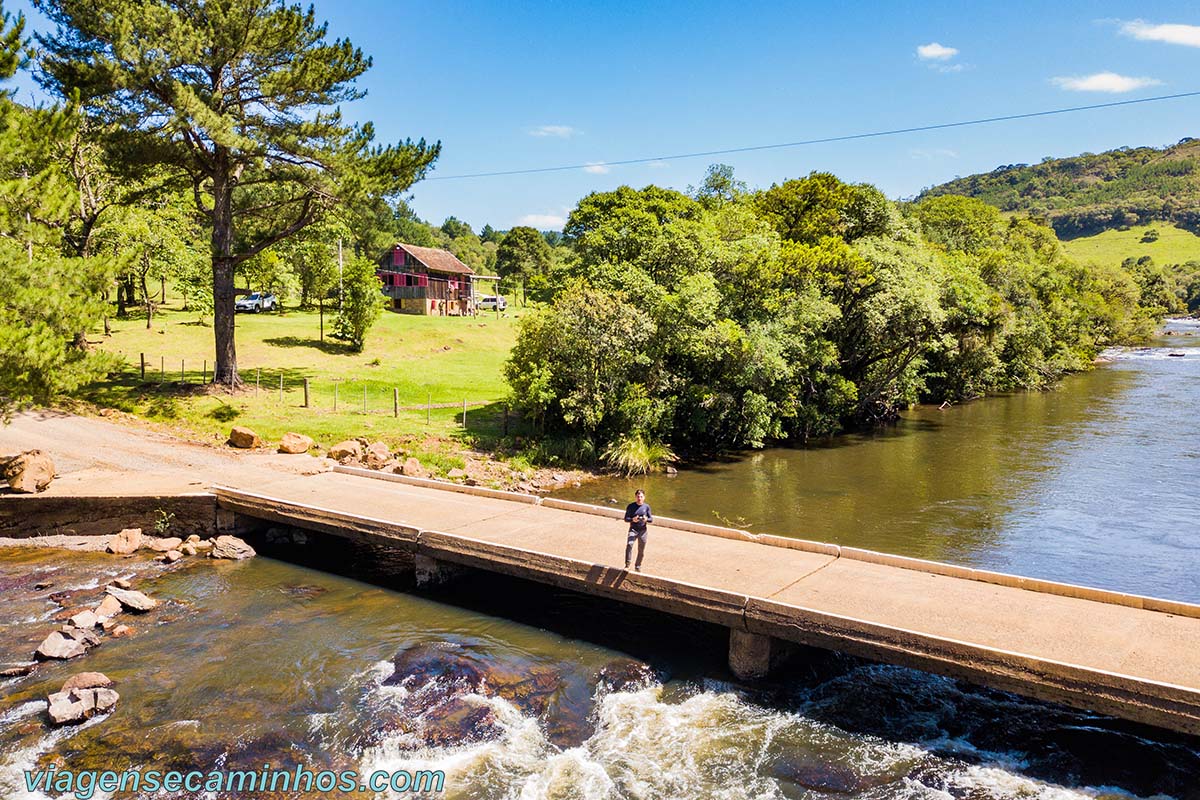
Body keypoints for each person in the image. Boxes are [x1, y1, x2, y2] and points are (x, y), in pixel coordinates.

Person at [623, 489, 652, 572]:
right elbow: (626, 519)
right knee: (629, 545)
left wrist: (646, 519)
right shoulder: (631, 506)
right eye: (638, 496)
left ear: (644, 497)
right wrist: (633, 519)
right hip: (633, 529)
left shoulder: (646, 507)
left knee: (641, 549)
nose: (639, 498)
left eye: (641, 497)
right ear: (635, 497)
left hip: (643, 531)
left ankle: (638, 566)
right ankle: (627, 564)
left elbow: (651, 519)